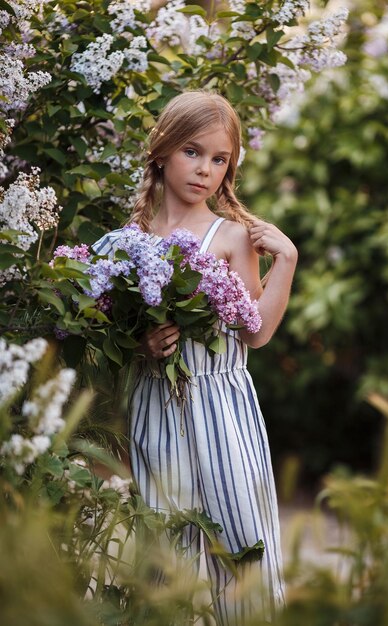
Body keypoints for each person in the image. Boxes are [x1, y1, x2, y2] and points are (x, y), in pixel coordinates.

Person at [92, 91, 297, 624]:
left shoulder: (229, 237)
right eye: (192, 151)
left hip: (222, 410)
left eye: (219, 159)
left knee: (242, 545)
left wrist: (288, 260)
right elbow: (103, 338)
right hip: (155, 409)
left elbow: (256, 334)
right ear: (161, 151)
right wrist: (140, 346)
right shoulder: (123, 244)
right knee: (165, 551)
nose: (204, 169)